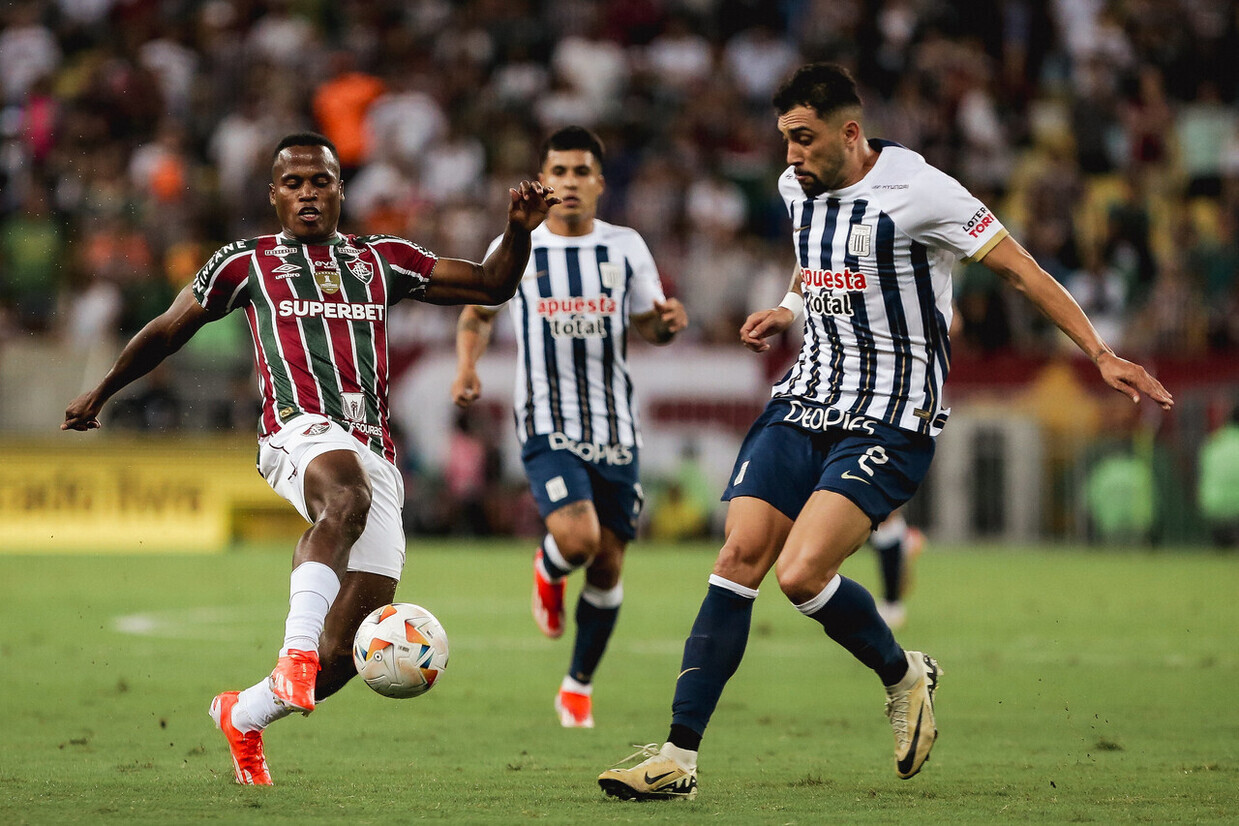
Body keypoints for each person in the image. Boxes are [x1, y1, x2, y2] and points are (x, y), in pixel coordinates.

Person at [597, 63, 1173, 801]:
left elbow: (1021, 270)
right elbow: (815, 259)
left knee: (800, 575)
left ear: (849, 132)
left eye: (803, 139)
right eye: (784, 139)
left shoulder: (921, 192)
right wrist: (788, 309)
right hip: (804, 398)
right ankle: (678, 757)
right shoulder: (796, 186)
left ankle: (903, 676)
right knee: (738, 556)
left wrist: (1099, 353)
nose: (790, 156)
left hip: (890, 415)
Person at [62, 132, 558, 785]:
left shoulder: (383, 258)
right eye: (292, 183)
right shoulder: (244, 261)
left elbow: (491, 284)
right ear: (273, 195)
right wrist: (103, 390)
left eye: (320, 181)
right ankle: (293, 652)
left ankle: (244, 713)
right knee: (344, 498)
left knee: (346, 654)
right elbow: (167, 329)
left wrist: (517, 231)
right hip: (295, 430)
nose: (307, 193)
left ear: (340, 190)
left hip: (373, 448)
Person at [450, 126, 688, 728]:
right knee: (579, 541)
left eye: (582, 171)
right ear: (543, 180)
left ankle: (577, 685)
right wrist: (467, 367)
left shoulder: (626, 246)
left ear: (601, 183)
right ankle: (551, 566)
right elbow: (478, 311)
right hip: (545, 419)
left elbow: (649, 324)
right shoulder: (518, 245)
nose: (570, 182)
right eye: (559, 171)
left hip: (615, 425)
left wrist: (665, 324)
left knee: (607, 565)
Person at [870, 510, 924, 630]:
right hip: (882, 536)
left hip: (892, 536)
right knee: (885, 573)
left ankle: (894, 606)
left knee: (894, 573)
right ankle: (888, 603)